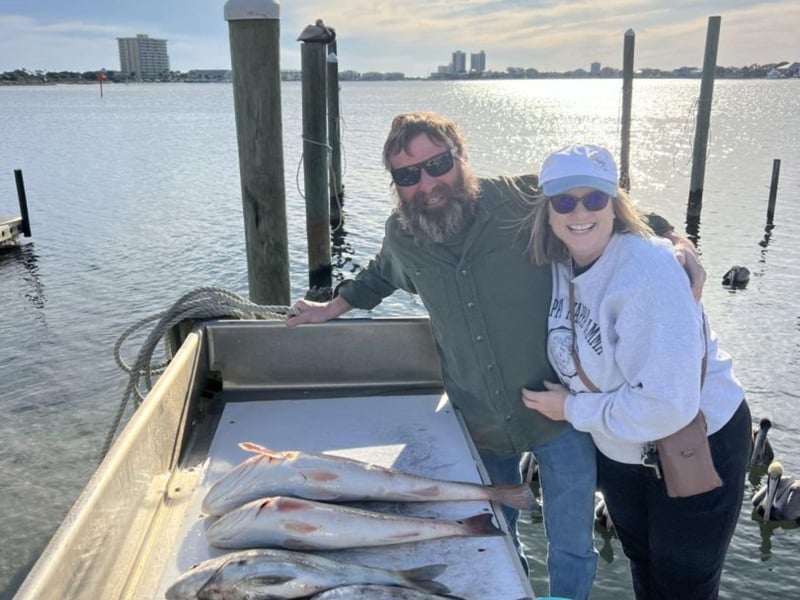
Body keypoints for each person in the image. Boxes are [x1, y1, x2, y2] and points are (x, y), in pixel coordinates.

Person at [286, 112, 704, 600]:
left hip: (560, 415)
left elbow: (607, 209)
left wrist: (678, 241)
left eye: (438, 163)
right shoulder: (403, 235)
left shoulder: (521, 200)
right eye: (408, 174)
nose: (428, 182)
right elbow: (380, 274)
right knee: (493, 533)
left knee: (572, 544)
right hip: (479, 421)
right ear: (396, 183)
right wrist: (332, 306)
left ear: (461, 157)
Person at [521, 143, 750, 600]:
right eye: (564, 201)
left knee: (684, 586)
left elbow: (666, 407)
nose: (579, 211)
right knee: (643, 566)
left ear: (615, 204)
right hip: (625, 452)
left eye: (595, 199)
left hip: (695, 443)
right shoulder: (565, 261)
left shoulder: (647, 272)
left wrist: (570, 409)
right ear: (547, 212)